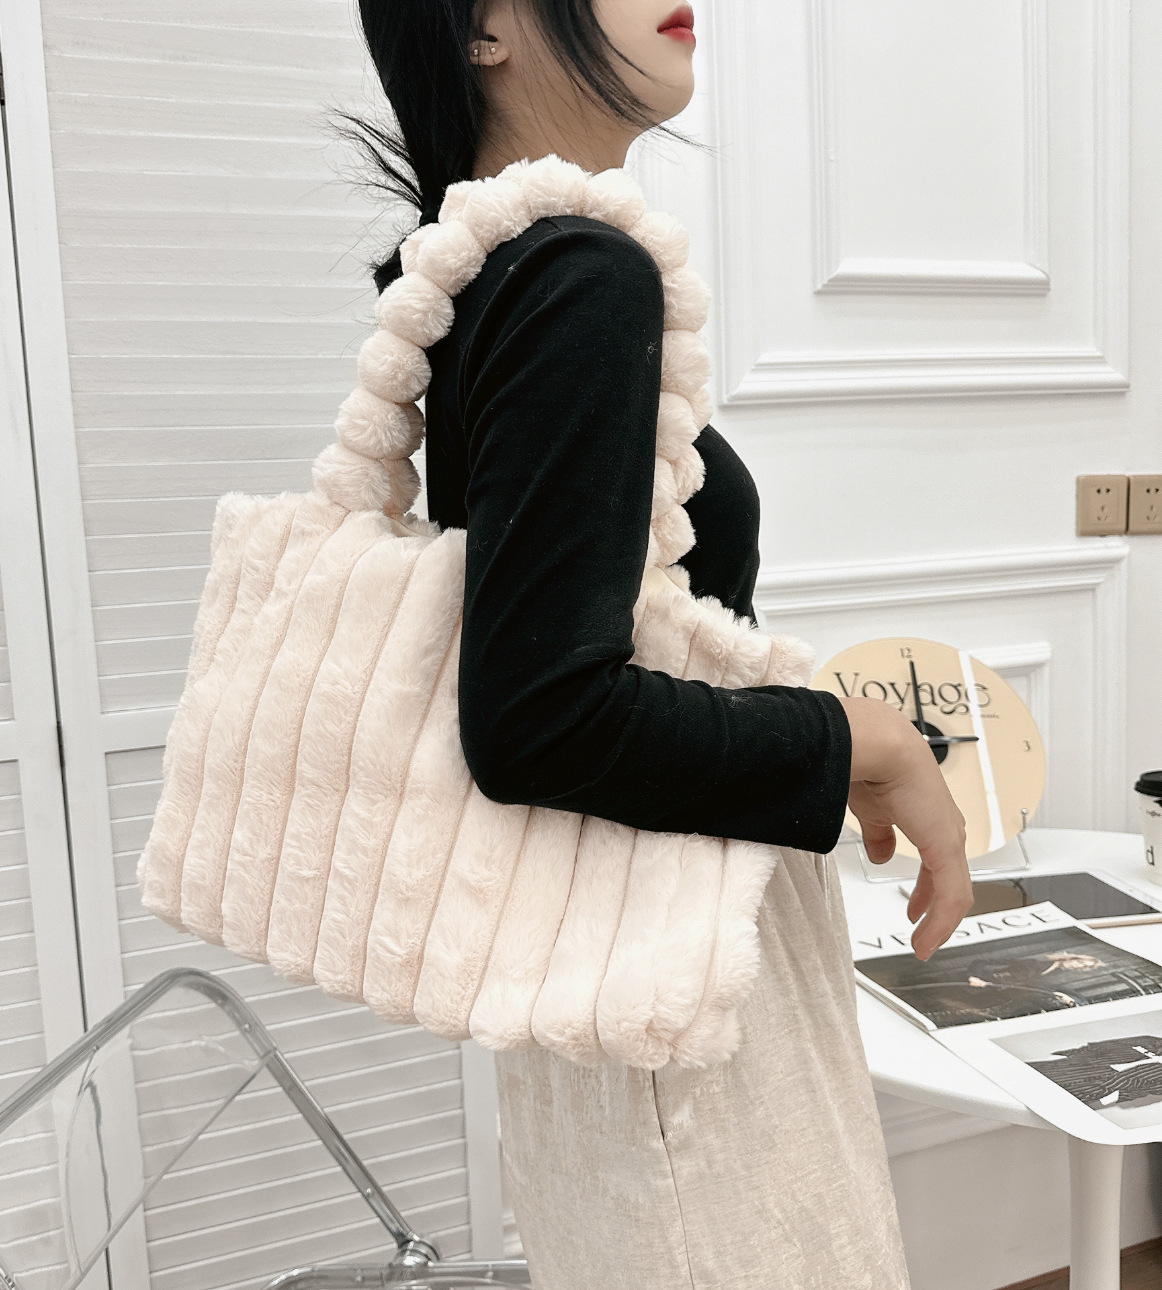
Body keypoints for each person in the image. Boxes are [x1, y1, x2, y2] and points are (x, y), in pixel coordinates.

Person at [341, 2, 973, 1286]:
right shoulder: (577, 273)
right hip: (670, 981)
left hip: (608, 968)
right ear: (480, 29)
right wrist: (858, 738)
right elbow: (542, 720)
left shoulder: (482, 268)